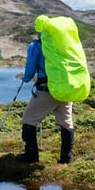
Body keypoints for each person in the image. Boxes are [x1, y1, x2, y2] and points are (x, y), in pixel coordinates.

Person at [17, 27, 75, 164]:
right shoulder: (65, 44)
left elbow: (30, 70)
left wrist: (25, 79)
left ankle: (31, 156)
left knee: (28, 120)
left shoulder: (37, 45)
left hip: (46, 89)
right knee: (66, 123)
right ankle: (66, 158)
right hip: (66, 89)